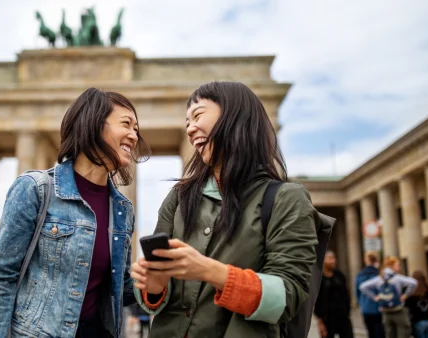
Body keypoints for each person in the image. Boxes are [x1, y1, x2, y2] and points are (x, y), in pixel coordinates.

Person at [130, 81, 320, 338]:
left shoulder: (286, 199)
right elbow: (160, 292)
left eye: (198, 115)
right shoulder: (179, 197)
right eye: (187, 122)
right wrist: (154, 286)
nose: (190, 128)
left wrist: (209, 271)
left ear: (234, 115)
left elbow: (287, 297)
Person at [0, 87, 150, 337]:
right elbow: (1, 279)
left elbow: (119, 290)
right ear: (93, 124)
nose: (134, 135)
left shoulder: (122, 209)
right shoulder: (35, 190)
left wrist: (151, 279)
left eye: (137, 128)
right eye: (126, 124)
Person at [360, 256, 417, 338]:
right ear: (392, 266)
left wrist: (374, 297)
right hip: (399, 310)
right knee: (403, 333)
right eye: (397, 265)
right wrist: (405, 295)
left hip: (386, 312)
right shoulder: (397, 278)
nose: (399, 267)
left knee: (389, 334)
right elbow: (414, 283)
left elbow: (363, 287)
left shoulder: (379, 279)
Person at [314, 251, 354, 338]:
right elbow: (316, 301)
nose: (333, 261)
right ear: (323, 260)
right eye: (330, 258)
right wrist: (320, 322)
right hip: (327, 318)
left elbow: (346, 295)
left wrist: (348, 311)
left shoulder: (339, 275)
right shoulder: (319, 279)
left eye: (333, 258)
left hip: (343, 317)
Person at [356, 252, 385, 338]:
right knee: (381, 333)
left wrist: (361, 304)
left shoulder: (360, 275)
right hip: (379, 308)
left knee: (371, 332)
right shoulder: (379, 274)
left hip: (366, 308)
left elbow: (357, 292)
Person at [405, 271, 428, 338]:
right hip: (427, 320)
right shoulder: (427, 291)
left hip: (417, 322)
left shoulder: (411, 293)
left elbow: (407, 307)